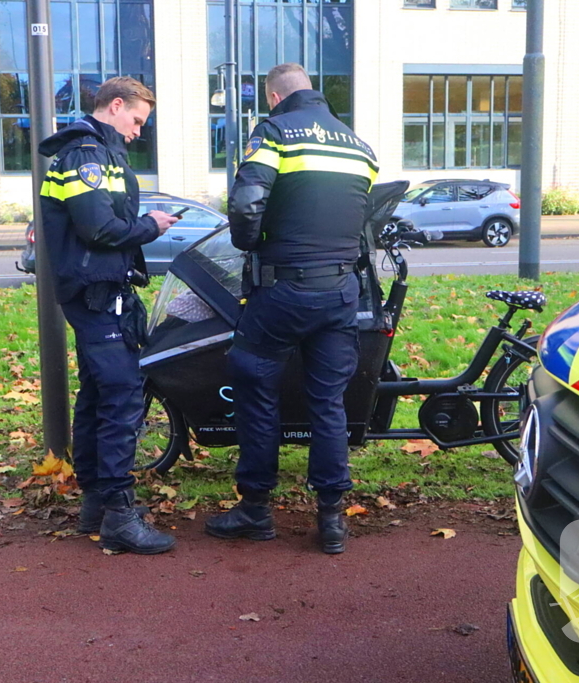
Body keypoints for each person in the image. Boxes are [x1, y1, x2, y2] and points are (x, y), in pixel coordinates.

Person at [205, 63, 378, 554]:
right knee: (328, 403)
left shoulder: (276, 132)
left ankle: (256, 510)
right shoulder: (359, 147)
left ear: (274, 97)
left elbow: (246, 204)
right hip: (340, 293)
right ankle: (331, 519)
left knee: (256, 388)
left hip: (282, 290)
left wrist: (250, 244)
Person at [38, 76, 179, 555]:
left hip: (98, 291)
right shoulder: (87, 155)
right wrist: (150, 227)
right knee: (120, 398)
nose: (139, 131)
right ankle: (118, 514)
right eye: (136, 120)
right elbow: (98, 227)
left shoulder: (95, 153)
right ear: (115, 106)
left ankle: (96, 503)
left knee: (100, 396)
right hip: (97, 293)